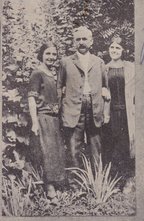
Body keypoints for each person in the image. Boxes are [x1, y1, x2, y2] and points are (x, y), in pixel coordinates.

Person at [57, 26, 110, 172]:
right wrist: (60, 109)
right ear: (73, 43)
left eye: (84, 39)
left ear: (91, 41)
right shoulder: (65, 62)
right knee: (74, 147)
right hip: (73, 108)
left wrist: (105, 112)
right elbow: (59, 87)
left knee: (96, 146)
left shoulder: (99, 62)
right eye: (78, 39)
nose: (81, 42)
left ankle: (96, 183)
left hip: (94, 107)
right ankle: (76, 185)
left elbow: (106, 88)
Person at [28, 43, 66, 194]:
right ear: (41, 55)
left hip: (55, 118)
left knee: (57, 151)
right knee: (47, 151)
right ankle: (49, 186)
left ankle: (57, 183)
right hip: (43, 117)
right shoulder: (37, 73)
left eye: (53, 54)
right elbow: (31, 98)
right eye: (47, 54)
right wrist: (34, 122)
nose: (51, 57)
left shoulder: (54, 73)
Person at [102, 36, 135, 192]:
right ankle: (114, 180)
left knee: (126, 147)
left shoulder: (131, 67)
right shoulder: (104, 67)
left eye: (117, 48)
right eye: (112, 47)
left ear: (123, 50)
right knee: (111, 146)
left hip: (127, 113)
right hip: (110, 112)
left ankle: (128, 180)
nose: (114, 50)